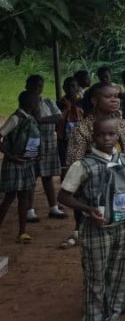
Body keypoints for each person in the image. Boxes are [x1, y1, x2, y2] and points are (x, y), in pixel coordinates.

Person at [58, 117, 125, 321]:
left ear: (118, 136)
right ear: (93, 137)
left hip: (123, 227)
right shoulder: (83, 166)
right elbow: (63, 197)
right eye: (101, 135)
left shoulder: (124, 159)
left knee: (119, 277)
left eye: (111, 134)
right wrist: (87, 210)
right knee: (96, 282)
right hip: (97, 231)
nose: (107, 139)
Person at [64, 84, 125, 249]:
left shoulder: (124, 124)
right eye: (108, 96)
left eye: (117, 96)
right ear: (95, 100)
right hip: (95, 199)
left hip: (123, 196)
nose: (114, 100)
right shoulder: (83, 129)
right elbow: (74, 166)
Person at [0, 91, 42, 243]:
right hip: (14, 163)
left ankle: (22, 232)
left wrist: (37, 154)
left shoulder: (30, 119)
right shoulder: (16, 118)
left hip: (26, 163)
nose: (39, 104)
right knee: (10, 197)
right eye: (37, 100)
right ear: (30, 103)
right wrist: (10, 156)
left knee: (24, 196)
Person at [24, 74, 66, 221]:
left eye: (40, 85)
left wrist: (41, 120)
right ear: (27, 86)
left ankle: (53, 207)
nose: (37, 88)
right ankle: (29, 210)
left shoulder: (47, 101)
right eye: (34, 85)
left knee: (47, 177)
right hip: (32, 143)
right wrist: (44, 120)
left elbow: (59, 117)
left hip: (48, 142)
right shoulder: (26, 101)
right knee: (31, 176)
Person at [58, 76, 85, 171]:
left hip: (80, 139)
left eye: (73, 86)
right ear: (63, 88)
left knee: (80, 165)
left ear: (78, 88)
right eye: (68, 86)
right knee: (65, 166)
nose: (70, 89)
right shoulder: (60, 103)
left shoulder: (82, 102)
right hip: (64, 140)